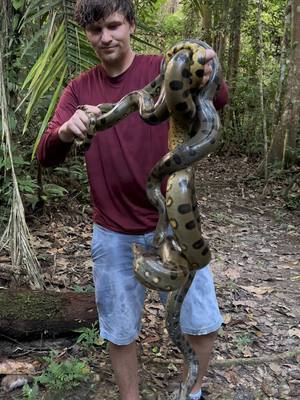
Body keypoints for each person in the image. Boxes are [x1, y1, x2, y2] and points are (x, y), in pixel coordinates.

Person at [37, 1, 228, 399]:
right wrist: (68, 131)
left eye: (113, 26)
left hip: (178, 227)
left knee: (202, 323)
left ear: (130, 25)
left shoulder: (162, 68)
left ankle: (190, 392)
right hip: (113, 233)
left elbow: (217, 99)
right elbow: (45, 155)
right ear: (87, 35)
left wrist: (209, 72)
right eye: (95, 30)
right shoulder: (79, 89)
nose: (105, 37)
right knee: (120, 329)